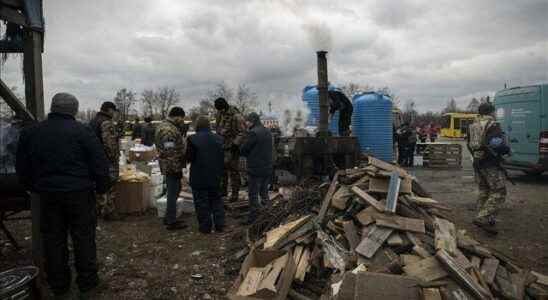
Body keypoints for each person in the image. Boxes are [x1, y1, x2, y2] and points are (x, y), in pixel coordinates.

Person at [16, 93, 110, 299]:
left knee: (53, 239)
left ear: (53, 107)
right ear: (74, 110)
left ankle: (59, 284)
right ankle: (87, 282)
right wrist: (102, 189)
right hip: (79, 194)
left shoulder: (32, 132)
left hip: (48, 195)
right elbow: (99, 164)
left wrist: (33, 187)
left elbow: (22, 166)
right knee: (84, 237)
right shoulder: (82, 132)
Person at [467, 102, 510, 235]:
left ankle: (486, 219)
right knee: (499, 192)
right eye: (494, 111)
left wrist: (476, 154)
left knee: (484, 190)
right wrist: (506, 149)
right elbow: (496, 144)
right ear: (491, 112)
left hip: (478, 162)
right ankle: (482, 217)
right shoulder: (493, 124)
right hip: (490, 163)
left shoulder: (473, 125)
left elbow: (469, 144)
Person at [186, 116, 225, 233]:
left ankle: (205, 227)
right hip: (215, 176)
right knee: (217, 201)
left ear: (197, 125)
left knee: (201, 203)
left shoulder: (192, 139)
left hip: (199, 176)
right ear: (209, 125)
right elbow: (222, 158)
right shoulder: (219, 138)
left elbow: (189, 158)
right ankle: (219, 225)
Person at [155, 107, 187, 230]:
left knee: (174, 190)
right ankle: (171, 221)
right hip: (171, 165)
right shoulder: (168, 130)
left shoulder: (166, 126)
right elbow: (170, 152)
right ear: (177, 116)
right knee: (173, 192)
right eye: (182, 118)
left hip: (171, 164)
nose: (182, 121)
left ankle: (169, 216)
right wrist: (176, 169)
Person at [89, 101, 121, 220]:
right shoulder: (106, 123)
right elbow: (110, 144)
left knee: (97, 185)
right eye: (114, 111)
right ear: (109, 110)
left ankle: (97, 210)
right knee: (110, 185)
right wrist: (114, 158)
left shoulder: (92, 121)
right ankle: (109, 211)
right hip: (106, 160)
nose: (114, 114)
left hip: (94, 159)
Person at [240, 112, 273, 225]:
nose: (246, 123)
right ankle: (269, 216)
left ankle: (253, 219)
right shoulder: (268, 132)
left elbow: (244, 150)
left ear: (252, 121)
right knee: (264, 193)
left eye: (247, 121)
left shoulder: (253, 133)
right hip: (267, 168)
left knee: (253, 194)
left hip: (255, 169)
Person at [214, 97, 246, 202]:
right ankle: (223, 191)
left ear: (224, 107)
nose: (220, 112)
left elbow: (242, 132)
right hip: (221, 146)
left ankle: (235, 194)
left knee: (233, 172)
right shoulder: (219, 114)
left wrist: (235, 144)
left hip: (232, 147)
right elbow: (218, 129)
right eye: (218, 110)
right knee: (222, 170)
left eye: (221, 109)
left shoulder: (236, 116)